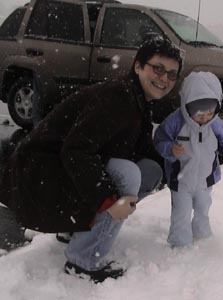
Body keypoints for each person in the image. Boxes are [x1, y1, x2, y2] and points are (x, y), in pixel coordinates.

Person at [0, 35, 183, 283]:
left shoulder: (137, 98)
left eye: (172, 74)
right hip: (40, 176)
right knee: (129, 175)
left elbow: (142, 150)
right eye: (158, 68)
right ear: (138, 66)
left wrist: (176, 167)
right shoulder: (118, 98)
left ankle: (77, 228)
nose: (164, 78)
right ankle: (83, 259)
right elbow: (75, 150)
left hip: (57, 171)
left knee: (149, 170)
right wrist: (108, 202)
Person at [153, 72, 223, 247]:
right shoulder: (176, 121)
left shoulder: (215, 123)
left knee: (203, 208)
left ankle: (202, 235)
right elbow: (159, 139)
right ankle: (180, 243)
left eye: (210, 113)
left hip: (205, 179)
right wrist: (170, 149)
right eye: (199, 114)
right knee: (181, 212)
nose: (205, 118)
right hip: (181, 180)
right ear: (187, 106)